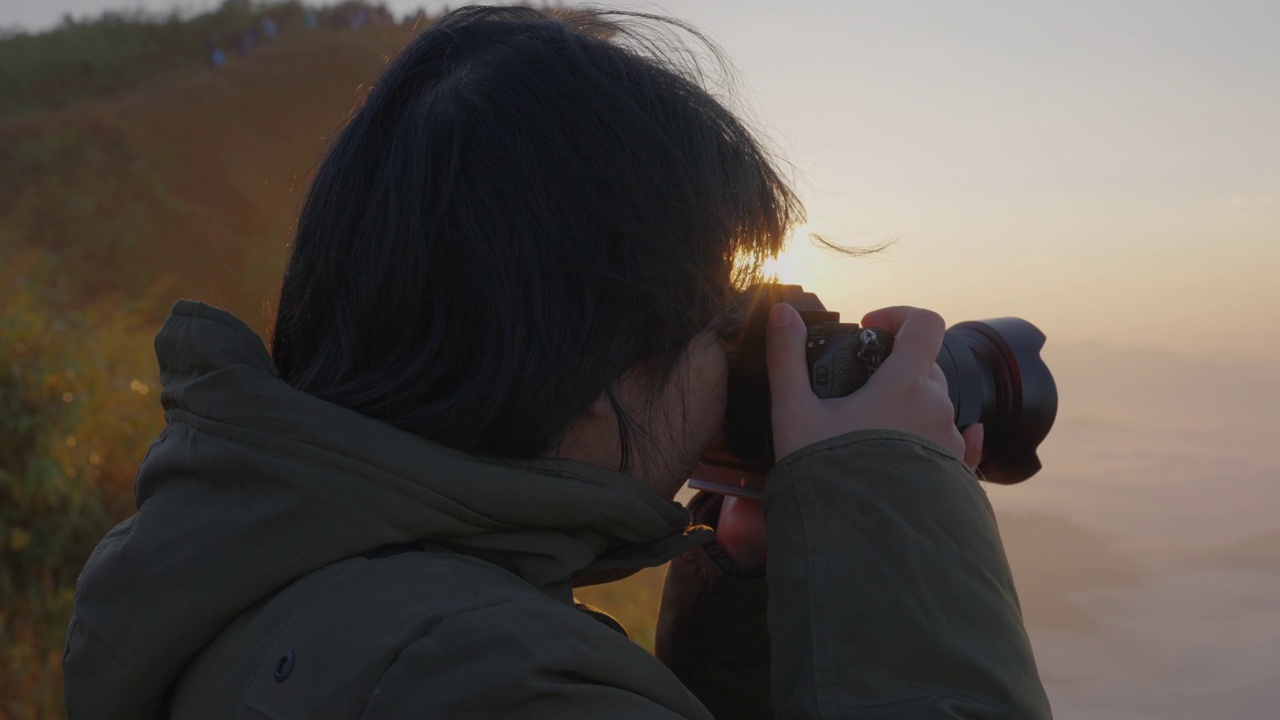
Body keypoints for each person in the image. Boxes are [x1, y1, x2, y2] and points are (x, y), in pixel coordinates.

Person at [62, 7, 1051, 718]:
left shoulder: (241, 573)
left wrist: (752, 604)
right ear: (586, 358)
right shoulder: (487, 680)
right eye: (721, 331)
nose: (732, 368)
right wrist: (891, 520)